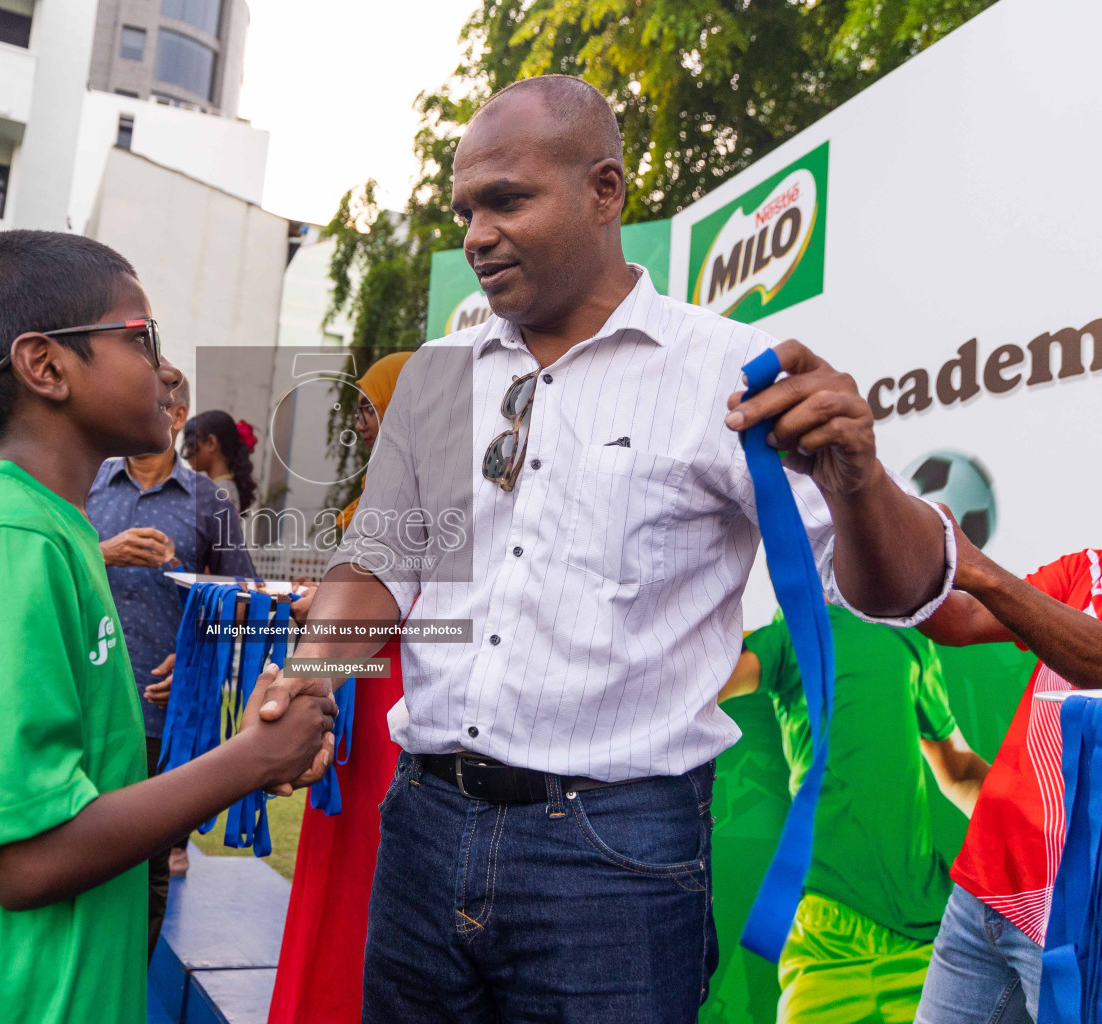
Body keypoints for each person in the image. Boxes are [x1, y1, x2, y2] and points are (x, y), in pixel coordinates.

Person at [257, 75, 956, 1022]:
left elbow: (898, 589)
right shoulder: (435, 379)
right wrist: (311, 676)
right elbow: (383, 566)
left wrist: (861, 481)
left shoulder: (729, 372)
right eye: (465, 208)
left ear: (606, 191)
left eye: (507, 199)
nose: (475, 233)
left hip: (617, 857)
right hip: (423, 828)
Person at [0, 229, 336, 1024]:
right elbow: (31, 859)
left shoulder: (56, 526)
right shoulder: (16, 540)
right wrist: (247, 760)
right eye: (142, 338)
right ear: (46, 366)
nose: (168, 369)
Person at [718, 607, 988, 1023]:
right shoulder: (792, 632)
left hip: (924, 934)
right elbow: (701, 689)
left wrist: (1040, 830)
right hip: (825, 940)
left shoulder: (909, 637)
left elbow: (959, 769)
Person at [88, 371, 258, 951]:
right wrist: (98, 553)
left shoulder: (211, 503)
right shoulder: (83, 485)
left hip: (163, 717)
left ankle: (122, 994)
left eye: (148, 405)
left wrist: (194, 657)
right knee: (71, 856)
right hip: (79, 705)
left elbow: (244, 601)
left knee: (147, 869)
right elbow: (37, 570)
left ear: (178, 415)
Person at [270, 351, 413, 1024]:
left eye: (370, 404)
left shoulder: (442, 506)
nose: (358, 421)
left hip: (394, 713)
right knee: (336, 862)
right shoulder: (366, 506)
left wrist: (329, 609)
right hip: (350, 705)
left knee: (371, 873)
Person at [912, 525, 1102, 1023]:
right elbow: (962, 617)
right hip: (984, 891)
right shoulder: (1089, 569)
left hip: (1078, 919)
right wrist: (882, 534)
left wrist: (971, 563)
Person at [183, 409, 258, 511]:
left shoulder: (215, 492)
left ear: (211, 443)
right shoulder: (226, 488)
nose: (187, 451)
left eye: (191, 443)